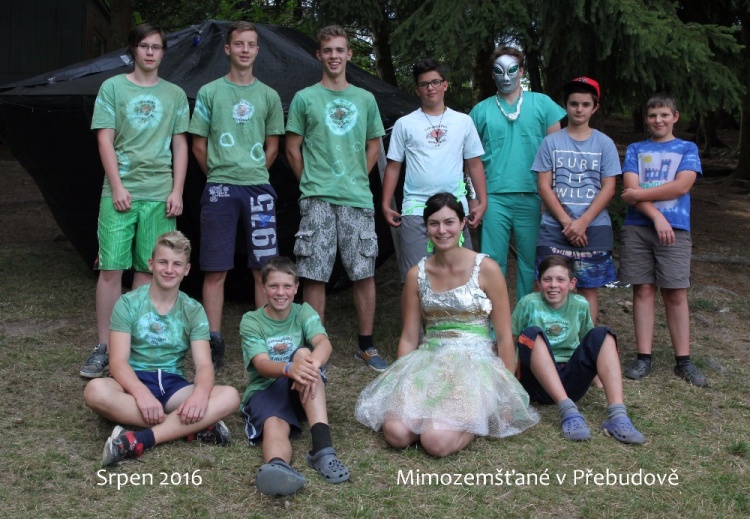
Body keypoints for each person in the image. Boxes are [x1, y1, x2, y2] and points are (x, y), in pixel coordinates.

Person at [355, 193, 539, 457]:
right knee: (396, 433)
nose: (442, 230)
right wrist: (401, 383)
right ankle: (438, 416)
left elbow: (503, 336)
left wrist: (506, 394)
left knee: (435, 442)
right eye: (434, 223)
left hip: (475, 364)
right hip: (430, 360)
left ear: (462, 223)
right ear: (426, 227)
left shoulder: (486, 269)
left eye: (449, 222)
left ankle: (477, 418)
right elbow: (409, 336)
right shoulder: (416, 274)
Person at [82, 23, 190, 378]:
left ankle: (131, 349)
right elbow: (104, 139)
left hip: (160, 194)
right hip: (121, 192)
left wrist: (177, 190)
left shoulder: (175, 94)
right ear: (133, 50)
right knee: (111, 268)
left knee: (149, 270)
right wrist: (117, 187)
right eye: (144, 46)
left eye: (156, 47)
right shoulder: (113, 87)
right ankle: (104, 347)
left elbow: (180, 144)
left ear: (163, 53)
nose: (150, 52)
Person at [83, 231, 241, 467]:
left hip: (173, 386)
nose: (169, 270)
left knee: (229, 396)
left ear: (186, 269)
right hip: (132, 383)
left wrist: (199, 395)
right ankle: (190, 427)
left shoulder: (193, 309)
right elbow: (117, 362)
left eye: (177, 264)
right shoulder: (128, 303)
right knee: (95, 390)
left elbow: (204, 365)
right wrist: (141, 394)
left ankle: (140, 439)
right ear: (151, 264)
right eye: (163, 262)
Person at [285, 25, 388, 372]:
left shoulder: (365, 98)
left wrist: (356, 175)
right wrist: (310, 183)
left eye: (340, 50)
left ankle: (366, 346)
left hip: (357, 197)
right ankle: (317, 348)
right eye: (328, 50)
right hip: (317, 198)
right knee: (314, 273)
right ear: (319, 55)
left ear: (349, 54)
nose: (334, 56)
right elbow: (292, 148)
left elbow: (374, 145)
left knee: (363, 271)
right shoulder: (304, 98)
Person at [189, 21, 284, 371]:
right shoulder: (210, 92)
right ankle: (213, 339)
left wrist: (254, 172)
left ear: (258, 50)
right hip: (220, 188)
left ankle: (262, 338)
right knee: (216, 269)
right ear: (228, 49)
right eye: (239, 44)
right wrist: (219, 173)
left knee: (263, 268)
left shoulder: (269, 95)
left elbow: (273, 144)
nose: (245, 49)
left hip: (258, 189)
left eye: (251, 44)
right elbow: (198, 144)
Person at [240, 257, 349, 496]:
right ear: (263, 287)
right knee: (274, 425)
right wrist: (290, 369)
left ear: (296, 288)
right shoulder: (251, 320)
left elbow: (324, 344)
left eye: (287, 286)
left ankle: (322, 449)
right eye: (274, 286)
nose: (281, 292)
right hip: (265, 389)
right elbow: (261, 364)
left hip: (301, 387)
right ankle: (278, 467)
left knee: (304, 354)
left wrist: (310, 366)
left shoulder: (303, 311)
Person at [619, 94, 707, 387]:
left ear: (675, 117)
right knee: (643, 289)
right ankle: (644, 357)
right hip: (638, 228)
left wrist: (638, 195)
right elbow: (629, 186)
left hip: (676, 228)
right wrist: (656, 216)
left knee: (675, 292)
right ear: (646, 118)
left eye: (664, 115)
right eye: (653, 115)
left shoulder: (687, 148)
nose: (658, 120)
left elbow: (681, 186)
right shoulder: (636, 149)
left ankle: (684, 361)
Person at [512, 255, 645, 444]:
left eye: (560, 279)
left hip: (570, 382)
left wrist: (598, 380)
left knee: (602, 334)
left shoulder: (580, 305)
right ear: (539, 283)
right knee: (531, 333)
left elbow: (589, 342)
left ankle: (618, 416)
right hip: (536, 385)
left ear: (572, 283)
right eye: (547, 279)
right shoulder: (528, 303)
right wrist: (507, 381)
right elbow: (510, 340)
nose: (553, 285)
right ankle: (568, 412)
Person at [469, 46, 566, 301]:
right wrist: (473, 197)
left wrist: (551, 196)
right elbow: (469, 159)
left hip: (534, 195)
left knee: (531, 262)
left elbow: (558, 152)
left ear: (521, 71)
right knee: (492, 262)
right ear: (492, 74)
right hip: (492, 197)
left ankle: (526, 316)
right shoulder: (480, 111)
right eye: (498, 71)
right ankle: (495, 319)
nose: (506, 76)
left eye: (512, 69)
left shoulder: (543, 104)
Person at [382, 59, 487, 283]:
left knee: (463, 276)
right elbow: (393, 166)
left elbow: (474, 163)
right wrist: (386, 203)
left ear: (445, 85)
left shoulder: (463, 121)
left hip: (455, 208)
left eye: (435, 82)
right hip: (416, 208)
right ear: (417, 89)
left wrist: (481, 201)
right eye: (424, 84)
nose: (430, 88)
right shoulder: (404, 124)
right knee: (417, 277)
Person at [532, 77, 620, 322]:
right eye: (574, 104)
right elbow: (543, 186)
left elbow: (609, 187)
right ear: (566, 106)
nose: (579, 109)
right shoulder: (551, 142)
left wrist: (582, 223)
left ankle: (584, 340)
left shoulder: (605, 144)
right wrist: (567, 223)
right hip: (554, 228)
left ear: (595, 107)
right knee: (544, 283)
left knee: (587, 288)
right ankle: (542, 337)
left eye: (585, 104)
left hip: (594, 228)